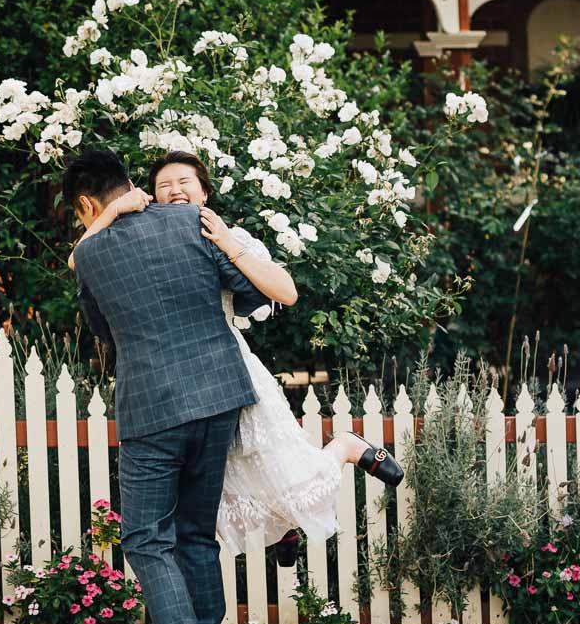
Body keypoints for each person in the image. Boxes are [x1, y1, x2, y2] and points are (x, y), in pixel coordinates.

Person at [73, 149, 403, 581]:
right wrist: (116, 211)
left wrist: (227, 241)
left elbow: (285, 292)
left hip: (230, 372)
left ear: (204, 192)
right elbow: (81, 260)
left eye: (184, 182)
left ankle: (345, 447)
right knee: (231, 496)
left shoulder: (222, 234)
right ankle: (281, 531)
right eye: (162, 186)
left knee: (288, 473)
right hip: (187, 392)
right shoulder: (146, 241)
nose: (173, 191)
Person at [68, 149, 269, 624]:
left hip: (153, 405)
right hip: (219, 396)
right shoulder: (190, 220)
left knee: (145, 540)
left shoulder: (89, 254)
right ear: (132, 185)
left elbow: (102, 330)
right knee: (195, 537)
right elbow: (251, 293)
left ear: (87, 204)